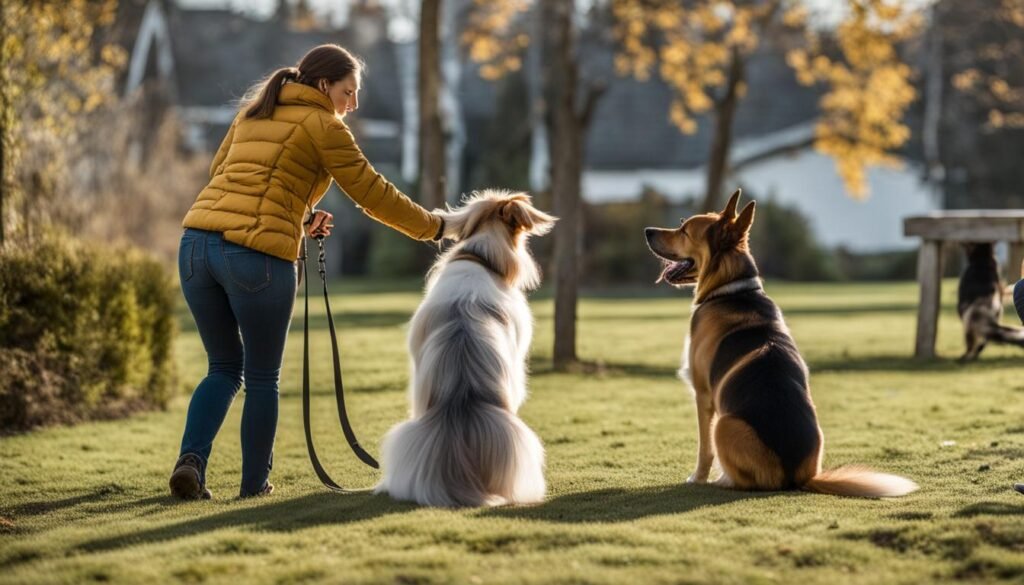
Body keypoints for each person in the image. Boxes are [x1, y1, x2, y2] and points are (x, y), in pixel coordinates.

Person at [169, 44, 448, 499]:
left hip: (196, 245)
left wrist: (299, 217)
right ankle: (253, 487)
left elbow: (225, 176)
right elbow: (371, 191)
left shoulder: (254, 111)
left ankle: (191, 462)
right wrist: (434, 227)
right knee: (261, 377)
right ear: (323, 85)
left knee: (222, 367)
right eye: (348, 92)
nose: (352, 104)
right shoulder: (324, 125)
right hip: (255, 257)